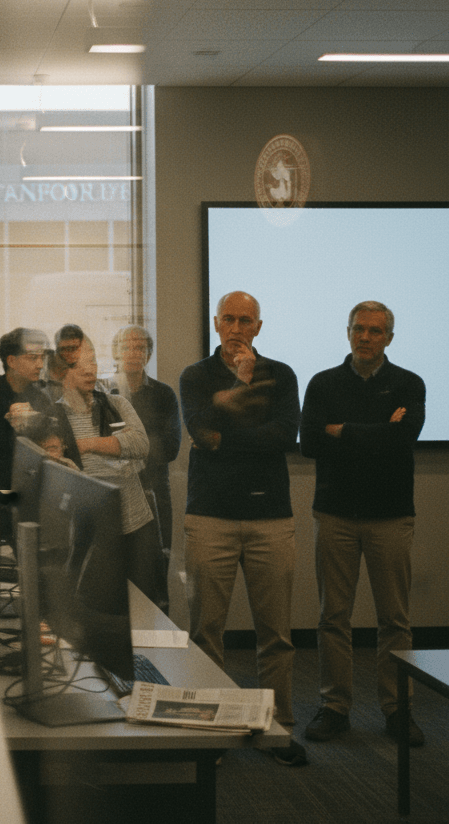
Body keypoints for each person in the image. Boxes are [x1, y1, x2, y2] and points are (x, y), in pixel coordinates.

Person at [179, 291, 305, 765]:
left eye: (244, 320)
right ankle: (209, 734)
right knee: (206, 631)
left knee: (275, 634)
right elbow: (200, 432)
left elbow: (284, 434)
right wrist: (238, 392)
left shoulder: (283, 374)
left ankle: (280, 728)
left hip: (270, 517)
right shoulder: (195, 376)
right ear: (216, 324)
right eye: (228, 319)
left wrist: (227, 425)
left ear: (258, 327)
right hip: (210, 516)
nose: (236, 327)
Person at [300, 301, 426, 748]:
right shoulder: (323, 383)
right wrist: (376, 431)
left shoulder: (409, 383)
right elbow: (311, 442)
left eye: (375, 330)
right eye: (359, 329)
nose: (366, 337)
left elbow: (402, 440)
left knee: (395, 618)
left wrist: (342, 430)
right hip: (335, 514)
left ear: (389, 337)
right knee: (333, 617)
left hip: (391, 516)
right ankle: (335, 708)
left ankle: (398, 710)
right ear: (347, 332)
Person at [57, 341, 158, 600]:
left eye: (92, 362)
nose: (90, 370)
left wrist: (85, 445)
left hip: (135, 522)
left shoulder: (116, 404)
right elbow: (63, 468)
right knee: (95, 604)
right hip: (90, 529)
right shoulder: (56, 415)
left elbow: (140, 445)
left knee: (145, 604)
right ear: (62, 373)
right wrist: (116, 447)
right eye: (79, 365)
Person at [108, 325, 181, 613]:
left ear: (149, 354)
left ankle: (154, 654)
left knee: (154, 578)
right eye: (127, 347)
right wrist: (138, 444)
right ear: (116, 353)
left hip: (153, 494)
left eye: (140, 348)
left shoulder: (164, 395)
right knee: (112, 577)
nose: (133, 353)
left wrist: (123, 445)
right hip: (113, 493)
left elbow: (170, 448)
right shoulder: (104, 392)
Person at [0, 327, 58, 491]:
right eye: (32, 358)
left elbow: (52, 438)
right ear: (11, 361)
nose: (40, 365)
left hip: (37, 487)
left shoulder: (41, 398)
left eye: (42, 358)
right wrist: (8, 421)